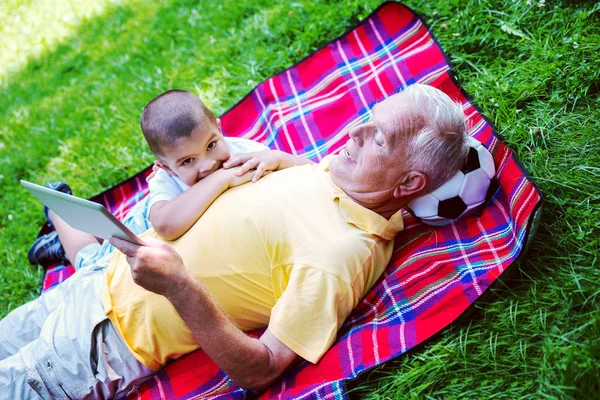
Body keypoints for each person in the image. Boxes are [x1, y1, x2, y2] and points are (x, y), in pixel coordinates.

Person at [0, 84, 470, 398]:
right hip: (98, 278)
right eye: (366, 119)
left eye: (377, 139)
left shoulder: (342, 253)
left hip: (105, 342)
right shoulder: (330, 170)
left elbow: (262, 369)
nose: (353, 131)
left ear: (408, 185)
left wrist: (179, 285)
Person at [27, 90, 311, 268]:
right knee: (90, 261)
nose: (208, 164)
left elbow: (311, 170)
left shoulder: (242, 152)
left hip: (165, 219)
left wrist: (278, 159)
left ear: (219, 127)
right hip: (142, 230)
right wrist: (222, 179)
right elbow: (165, 225)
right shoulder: (166, 181)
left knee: (102, 224)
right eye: (188, 161)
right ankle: (59, 212)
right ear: (165, 167)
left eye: (212, 144)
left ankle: (64, 231)